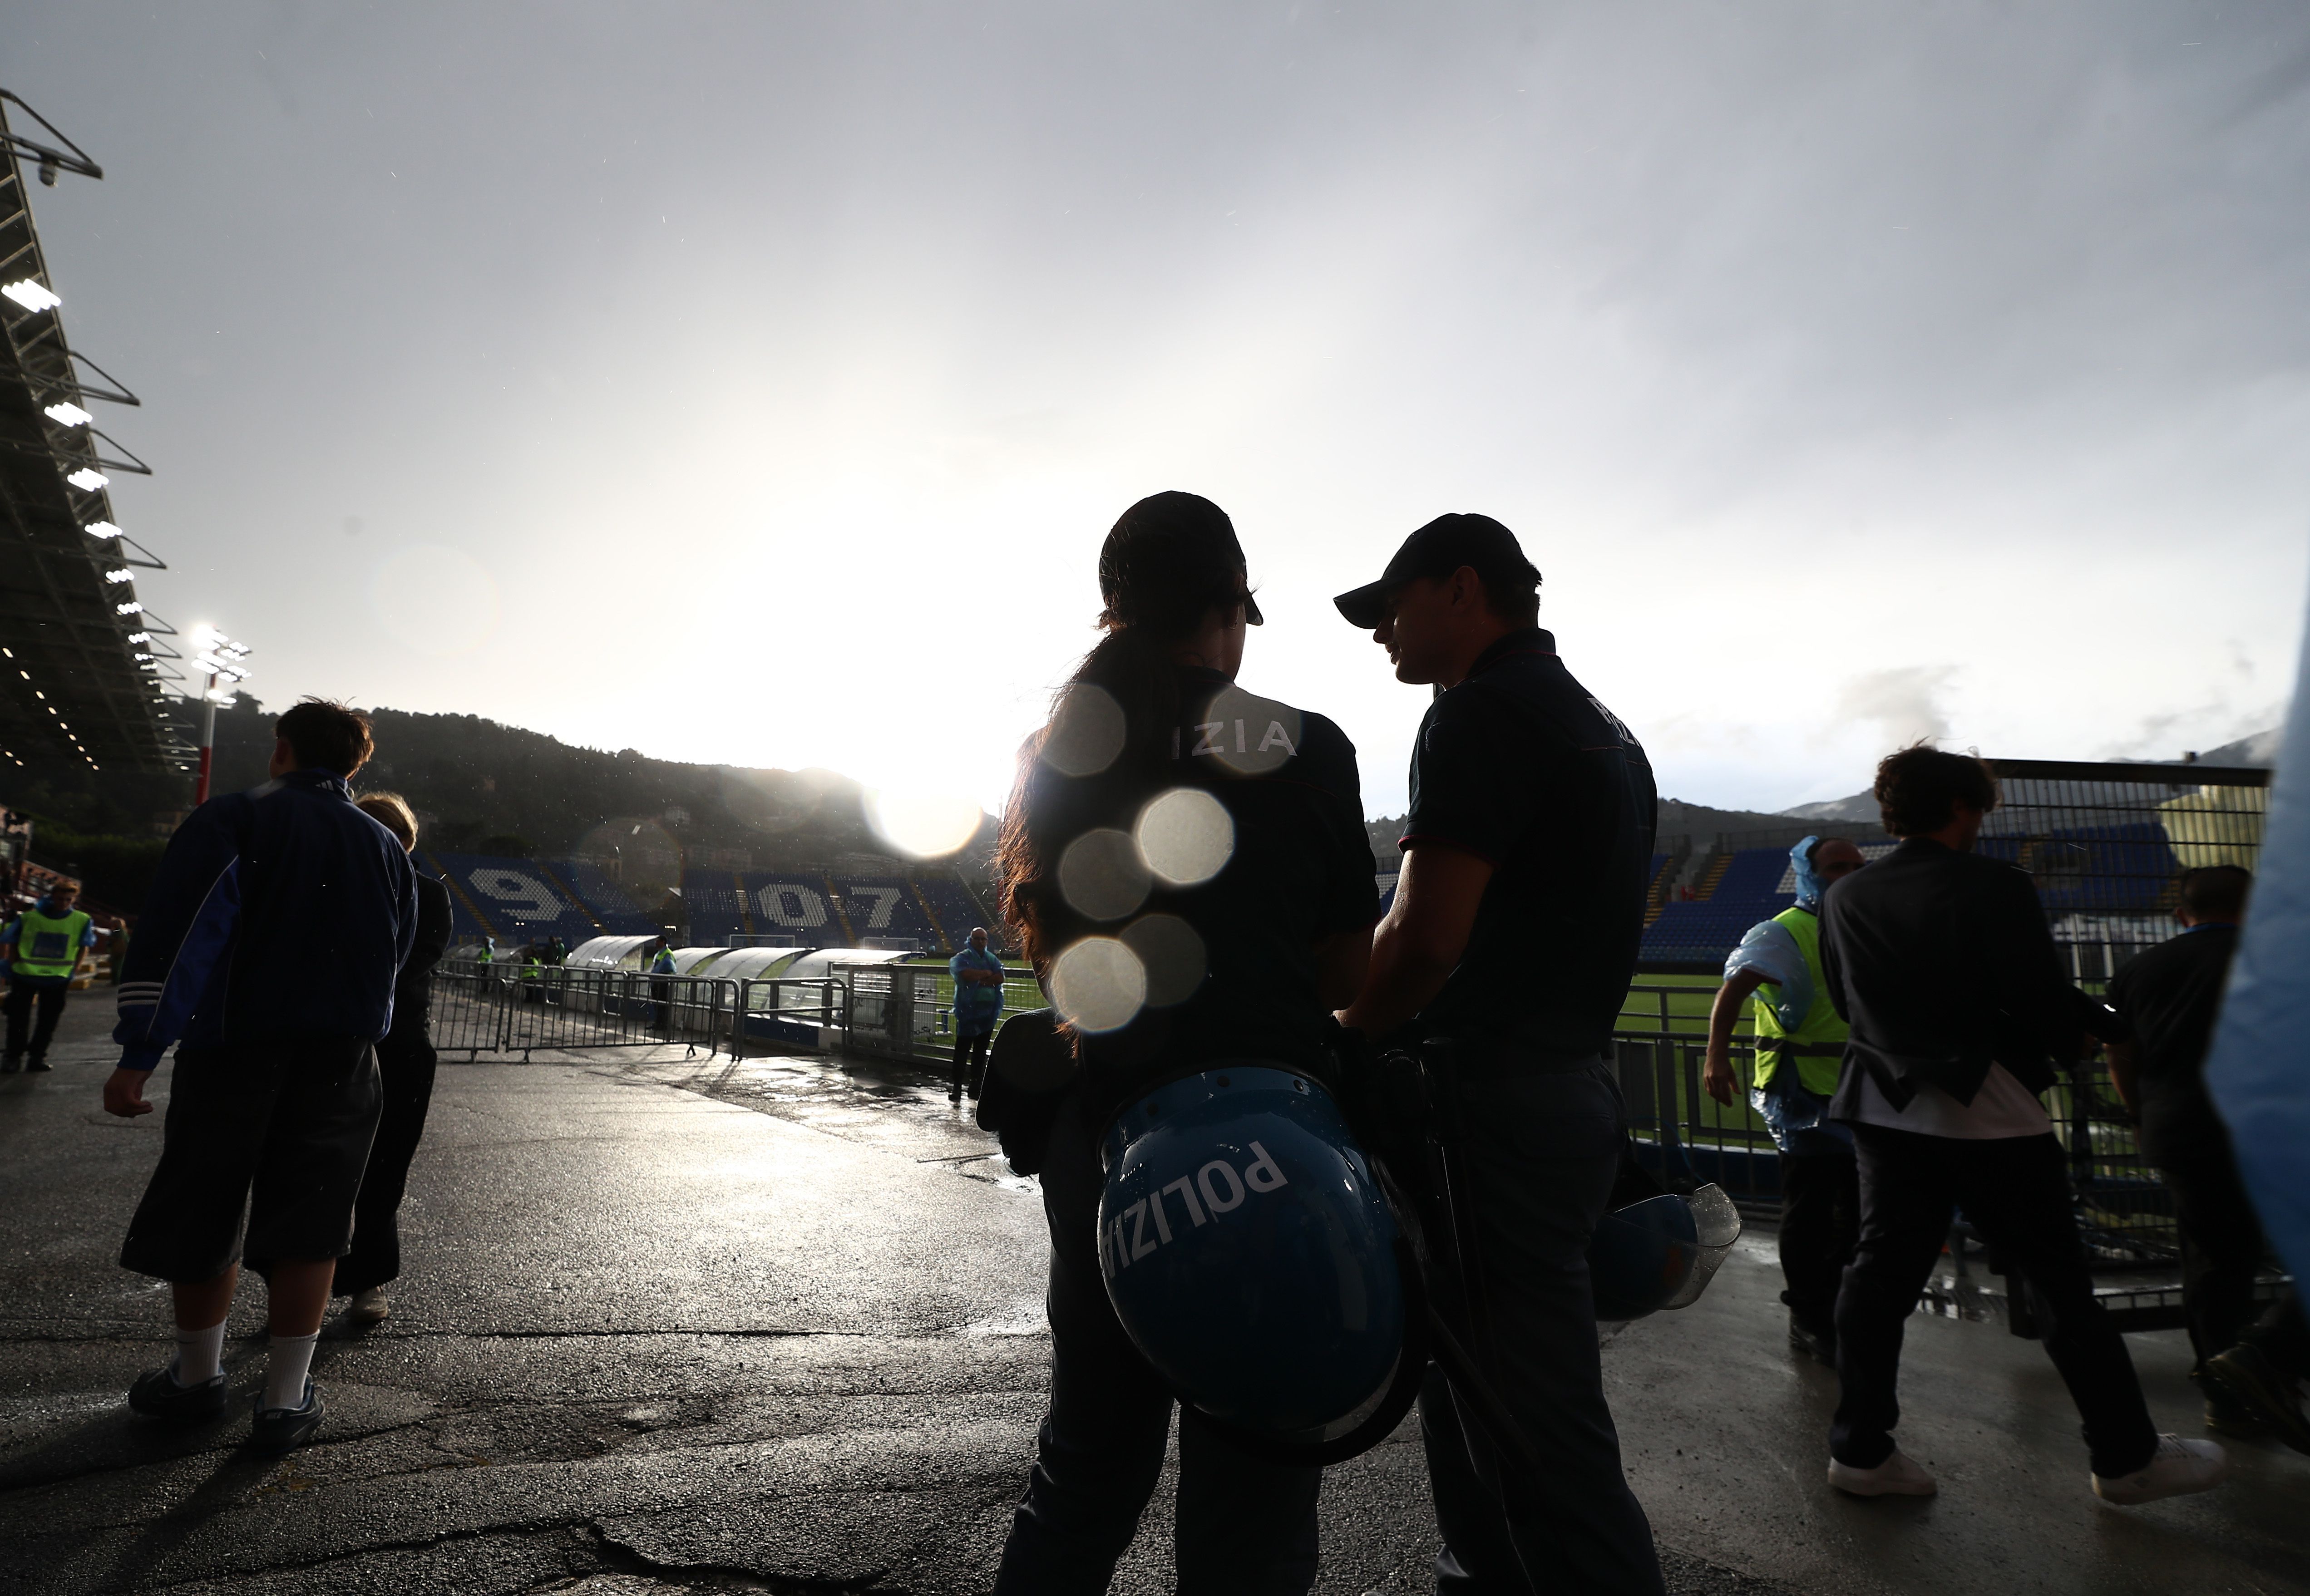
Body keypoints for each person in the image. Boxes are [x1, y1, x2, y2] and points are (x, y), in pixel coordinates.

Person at [991, 491, 1377, 1594]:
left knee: (1084, 1476)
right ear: (1230, 609)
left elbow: (1065, 967)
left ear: (1115, 612)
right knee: (1250, 1514)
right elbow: (1347, 978)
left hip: (1108, 1133)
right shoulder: (1304, 743)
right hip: (1273, 1141)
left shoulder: (1056, 749)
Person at [1332, 513, 1665, 1596]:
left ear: (1462, 590)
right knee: (1476, 1391)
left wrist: (1346, 1035)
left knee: (1540, 1443)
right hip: (1569, 1086)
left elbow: (1426, 937)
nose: (1380, 628)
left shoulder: (1475, 715)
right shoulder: (1605, 729)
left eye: (1392, 604)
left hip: (1493, 1107)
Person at [1817, 743, 2226, 1505]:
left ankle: (1860, 1449)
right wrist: (2083, 1030)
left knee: (1876, 1276)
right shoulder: (1992, 882)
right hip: (1985, 1107)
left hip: (1880, 1102)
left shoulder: (1844, 896)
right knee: (2059, 1284)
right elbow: (2037, 997)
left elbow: (1846, 1002)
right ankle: (2126, 1455)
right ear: (1964, 808)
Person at [105, 699, 416, 1454]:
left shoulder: (232, 820)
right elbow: (396, 956)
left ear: (281, 749)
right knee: (314, 1221)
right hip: (345, 1057)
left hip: (235, 1048)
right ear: (355, 763)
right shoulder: (384, 847)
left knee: (207, 1204)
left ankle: (195, 1378)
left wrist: (140, 1052)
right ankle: (283, 1400)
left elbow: (182, 937)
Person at [2107, 865, 2309, 1450]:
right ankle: (2269, 1356)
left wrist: (2141, 1117)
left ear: (2181, 915)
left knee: (2216, 1262)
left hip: (2181, 1129)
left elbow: (2122, 1056)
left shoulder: (2141, 968)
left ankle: (2228, 1402)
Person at [1703, 836, 1869, 1363]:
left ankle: (1838, 1308)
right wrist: (1716, 1057)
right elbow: (1734, 989)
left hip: (1862, 1089)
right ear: (1808, 874)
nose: (1848, 874)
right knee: (1812, 1211)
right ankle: (1810, 1316)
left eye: (1856, 867)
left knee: (1862, 1213)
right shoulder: (1784, 931)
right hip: (1803, 1095)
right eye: (1835, 867)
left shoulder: (1862, 924)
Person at [337, 793, 455, 1325]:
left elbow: (411, 961)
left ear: (405, 842)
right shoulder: (331, 886)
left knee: (381, 1168)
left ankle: (365, 1278)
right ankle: (312, 1282)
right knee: (327, 1167)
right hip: (352, 1042)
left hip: (390, 1046)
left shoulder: (428, 895)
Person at [3, 879, 98, 1073]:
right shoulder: (29, 918)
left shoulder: (82, 920)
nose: (63, 903)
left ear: (73, 900)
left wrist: (75, 970)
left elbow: (83, 947)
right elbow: (13, 942)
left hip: (58, 977)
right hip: (25, 974)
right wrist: (12, 966)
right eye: (60, 898)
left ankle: (36, 1057)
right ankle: (13, 1057)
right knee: (18, 1019)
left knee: (48, 1021)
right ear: (52, 896)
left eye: (68, 900)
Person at [948, 925, 1005, 1103]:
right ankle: (957, 1087)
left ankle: (975, 1087)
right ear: (970, 940)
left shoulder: (991, 958)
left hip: (987, 1013)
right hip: (967, 1012)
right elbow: (964, 974)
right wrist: (986, 975)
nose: (980, 942)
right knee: (962, 1051)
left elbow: (1000, 977)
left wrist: (979, 980)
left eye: (983, 939)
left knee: (980, 1052)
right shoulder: (962, 958)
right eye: (977, 939)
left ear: (987, 941)